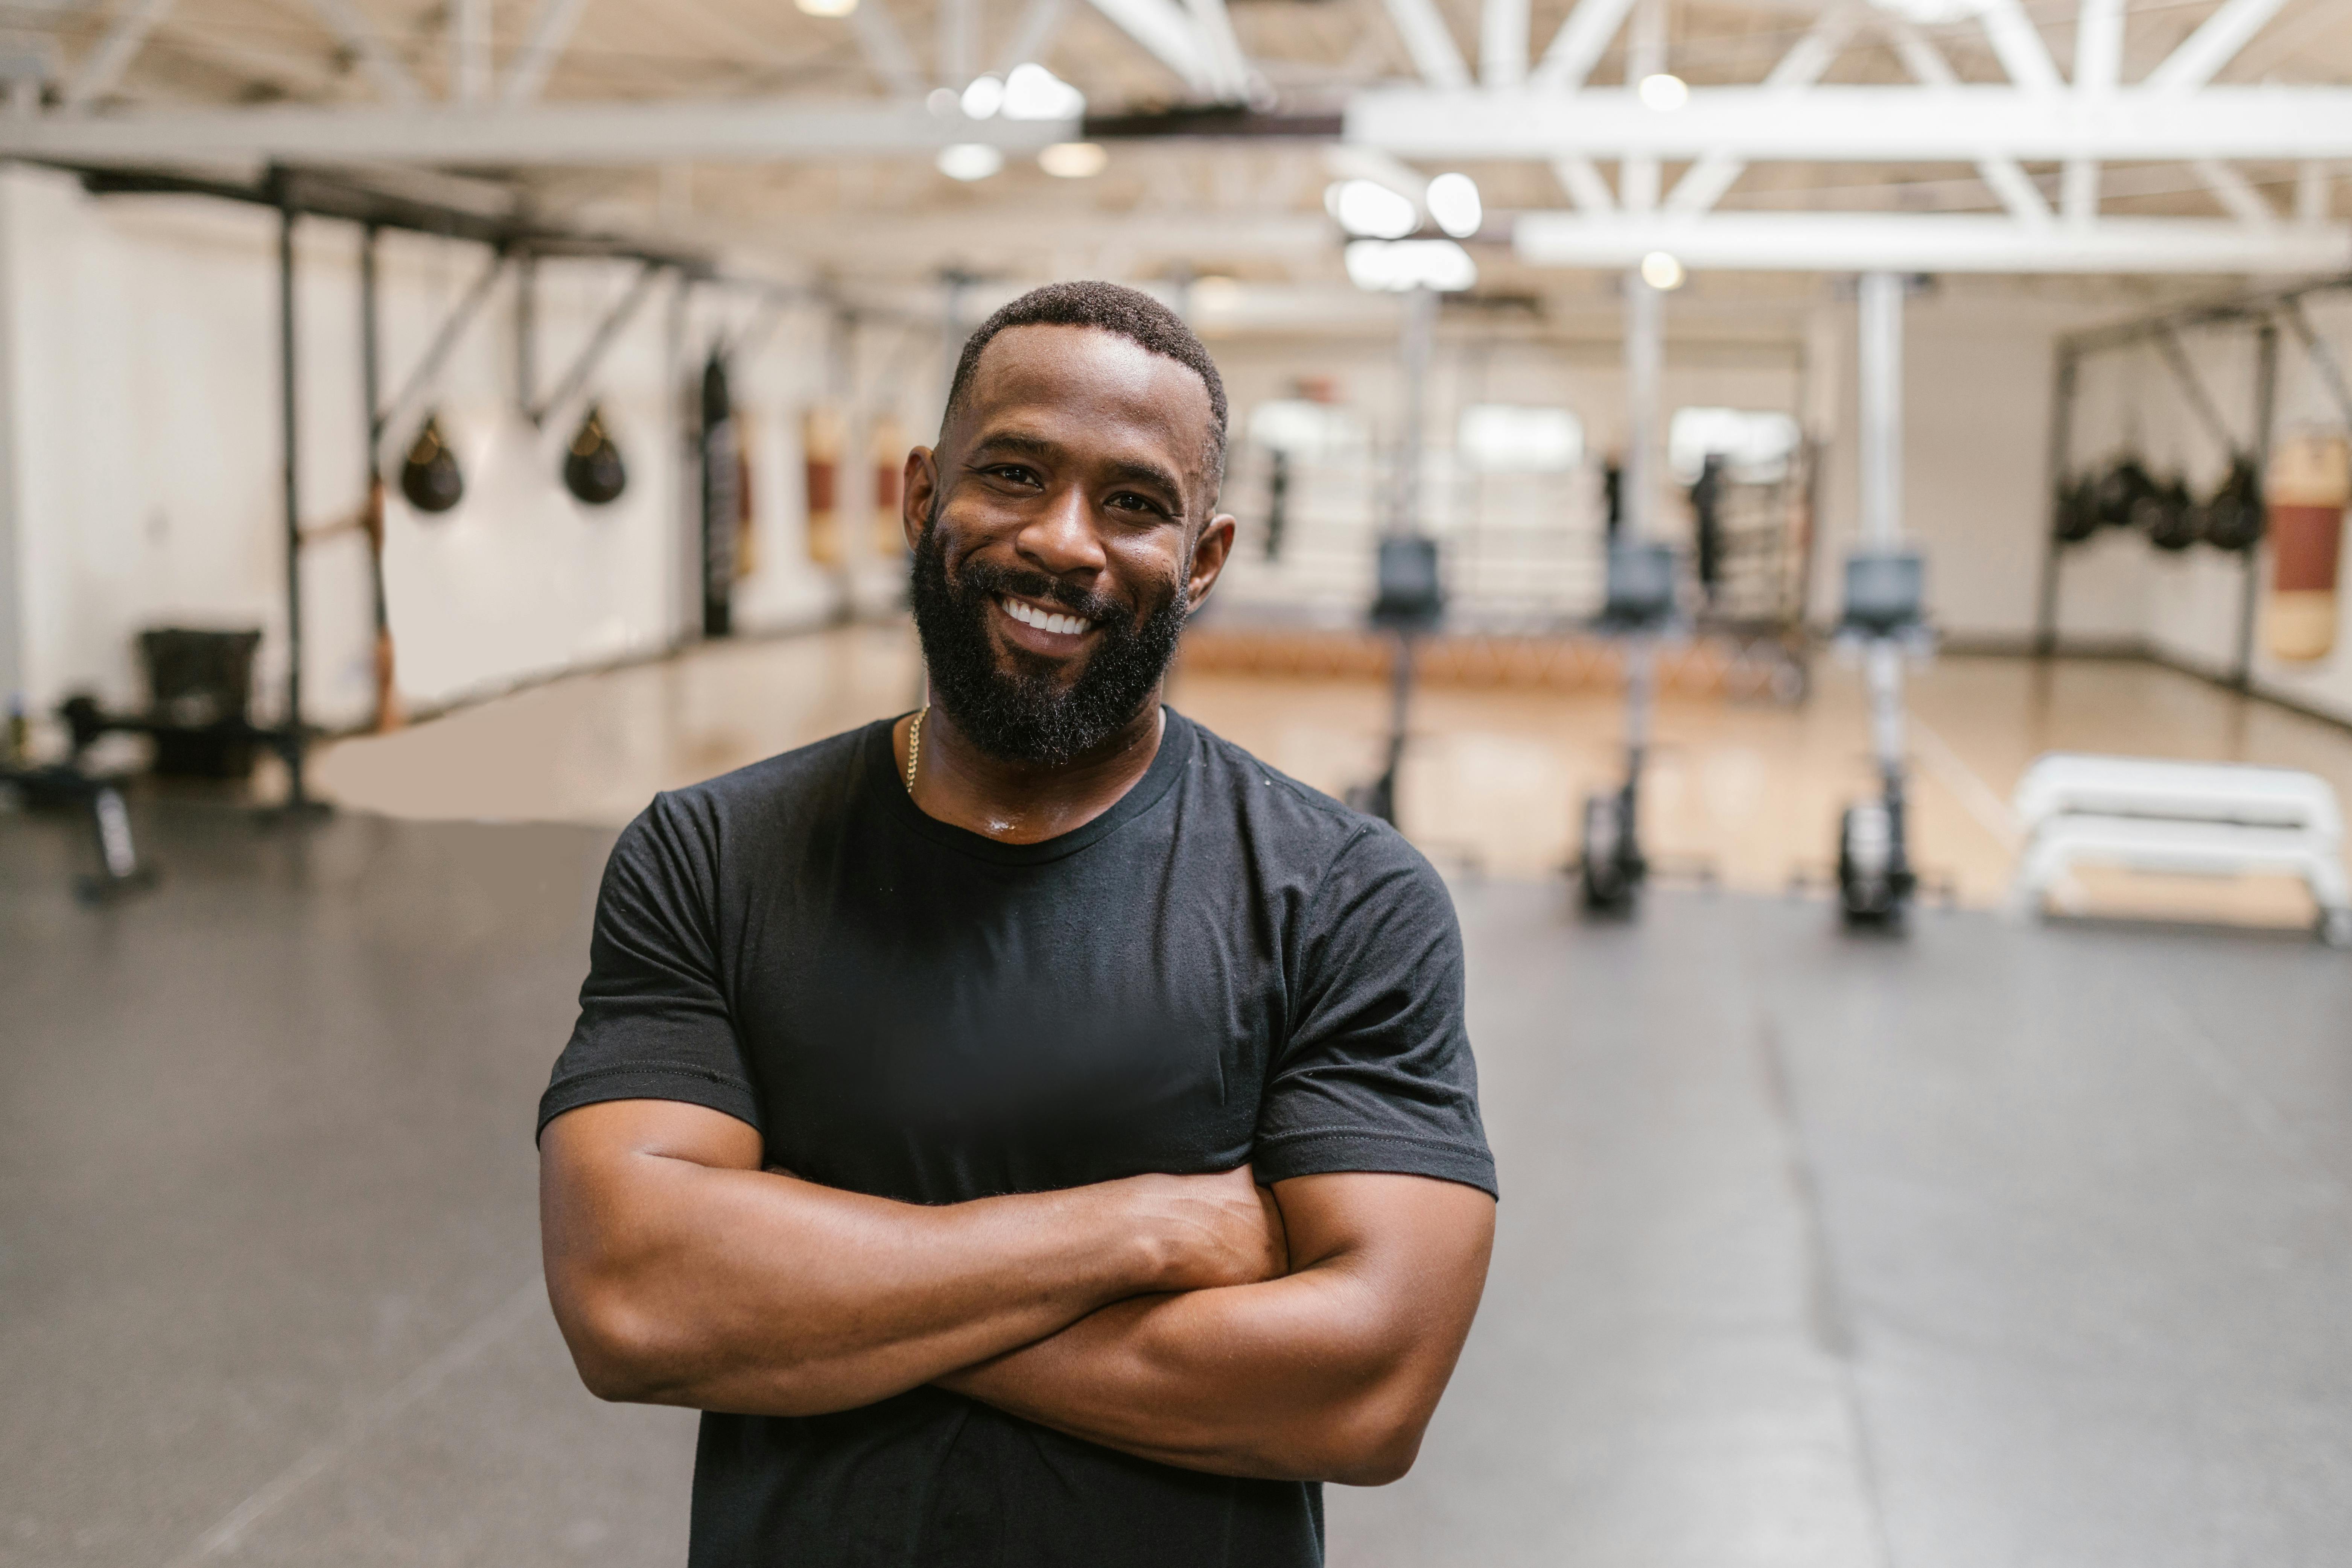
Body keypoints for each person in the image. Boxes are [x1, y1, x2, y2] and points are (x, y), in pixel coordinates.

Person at [536, 281, 1498, 1568]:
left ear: (1202, 560)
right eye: (1015, 471)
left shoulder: (1343, 900)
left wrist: (817, 1302)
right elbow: (635, 1301)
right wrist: (1140, 1229)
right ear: (923, 495)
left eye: (1134, 502)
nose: (1063, 540)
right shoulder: (712, 857)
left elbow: (1366, 1390)